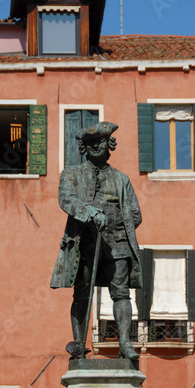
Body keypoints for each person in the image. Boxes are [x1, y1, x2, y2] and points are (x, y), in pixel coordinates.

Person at [50, 121, 142, 359]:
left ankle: (125, 344)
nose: (96, 146)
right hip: (84, 243)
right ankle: (79, 344)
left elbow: (135, 214)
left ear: (109, 144)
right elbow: (66, 200)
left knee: (121, 293)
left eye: (100, 141)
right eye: (90, 143)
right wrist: (91, 214)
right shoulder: (71, 174)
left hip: (117, 242)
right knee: (81, 294)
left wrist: (118, 224)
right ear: (85, 147)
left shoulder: (122, 180)